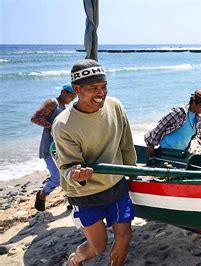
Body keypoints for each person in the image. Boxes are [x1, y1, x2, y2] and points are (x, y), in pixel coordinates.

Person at [52, 59, 137, 266]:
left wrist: (133, 173)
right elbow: (66, 167)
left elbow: (126, 145)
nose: (101, 93)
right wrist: (76, 175)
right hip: (85, 194)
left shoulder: (115, 106)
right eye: (93, 88)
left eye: (104, 86)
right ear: (76, 89)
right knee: (98, 247)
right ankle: (75, 259)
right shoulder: (63, 125)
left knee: (124, 237)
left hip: (116, 185)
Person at [31, 83, 76, 211]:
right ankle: (42, 194)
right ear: (64, 92)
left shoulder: (63, 107)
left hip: (60, 148)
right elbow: (35, 118)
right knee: (57, 177)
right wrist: (53, 128)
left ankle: (72, 201)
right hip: (49, 147)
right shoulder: (52, 102)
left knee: (68, 174)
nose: (73, 99)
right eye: (72, 95)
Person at [144, 90, 201, 156]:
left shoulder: (199, 117)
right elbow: (161, 126)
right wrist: (151, 144)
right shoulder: (179, 112)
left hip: (182, 152)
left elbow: (200, 129)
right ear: (194, 102)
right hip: (166, 150)